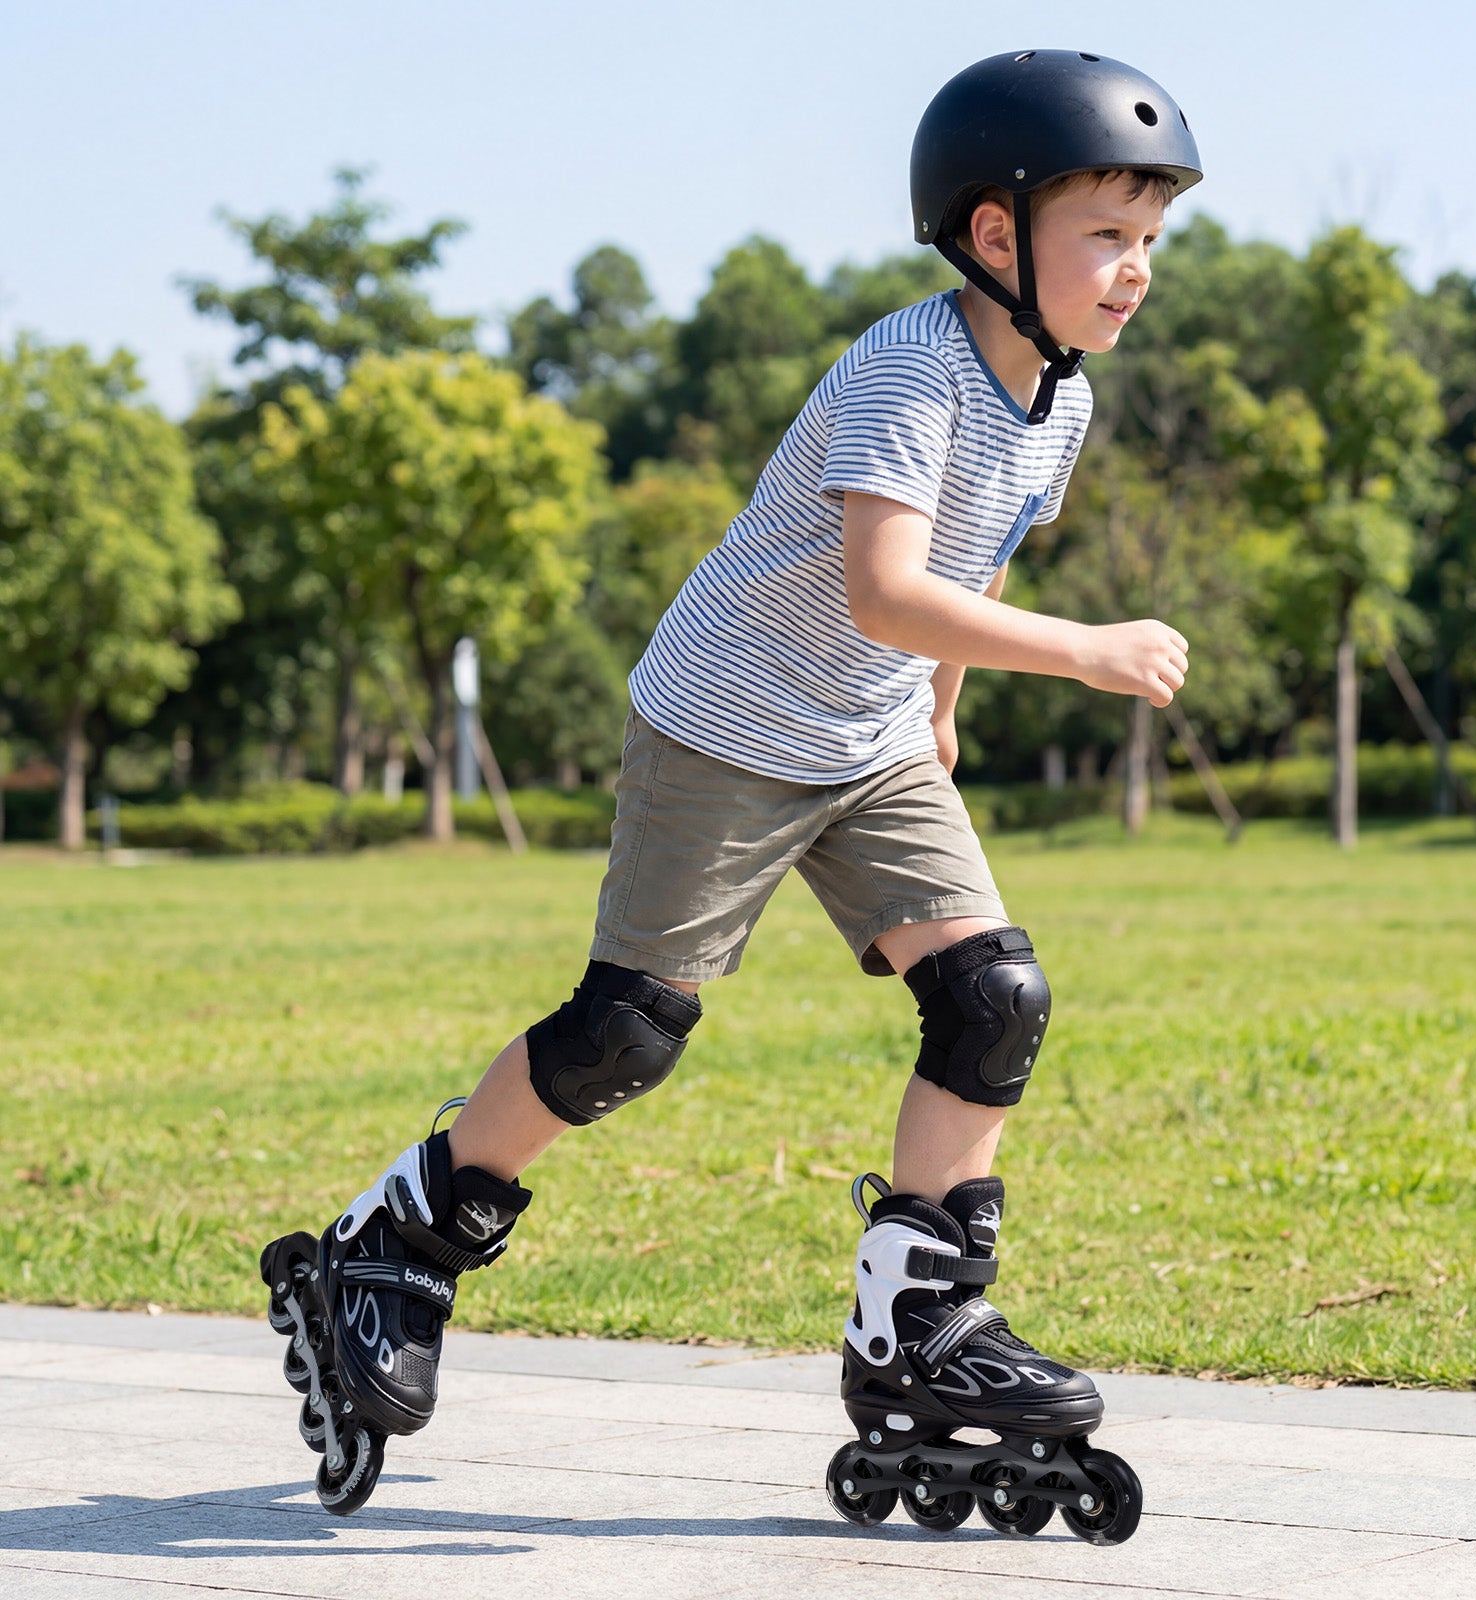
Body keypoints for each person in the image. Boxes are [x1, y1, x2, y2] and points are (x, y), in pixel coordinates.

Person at [263, 48, 1201, 1535]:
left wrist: (946, 709)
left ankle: (921, 1323)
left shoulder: (1057, 402)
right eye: (1108, 234)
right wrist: (1077, 653)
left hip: (873, 734)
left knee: (993, 1000)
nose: (1137, 268)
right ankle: (400, 1239)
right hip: (729, 722)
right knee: (628, 1033)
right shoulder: (908, 366)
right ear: (994, 232)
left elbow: (975, 557)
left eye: (1152, 238)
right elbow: (889, 586)